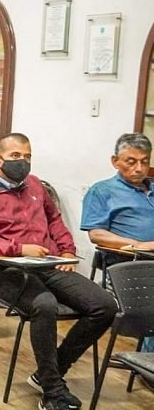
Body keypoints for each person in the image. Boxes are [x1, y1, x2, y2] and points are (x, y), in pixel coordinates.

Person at [0, 133, 117, 410]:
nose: (23, 161)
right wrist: (18, 249)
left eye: (27, 156)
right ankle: (53, 390)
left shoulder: (34, 185)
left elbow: (54, 220)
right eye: (15, 156)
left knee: (104, 306)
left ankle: (49, 373)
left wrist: (67, 250)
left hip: (48, 264)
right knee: (45, 305)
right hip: (5, 271)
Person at [81, 133, 154, 354]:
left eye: (144, 161)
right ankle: (147, 363)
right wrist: (139, 244)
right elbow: (97, 234)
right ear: (115, 161)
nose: (139, 168)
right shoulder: (102, 191)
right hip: (129, 267)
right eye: (131, 162)